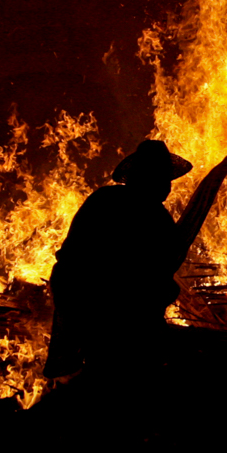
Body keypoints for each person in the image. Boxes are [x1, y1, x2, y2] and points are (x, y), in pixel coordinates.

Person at [43, 139, 193, 379]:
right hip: (110, 308)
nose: (168, 186)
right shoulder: (154, 218)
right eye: (163, 178)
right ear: (150, 177)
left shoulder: (103, 199)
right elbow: (148, 276)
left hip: (79, 298)